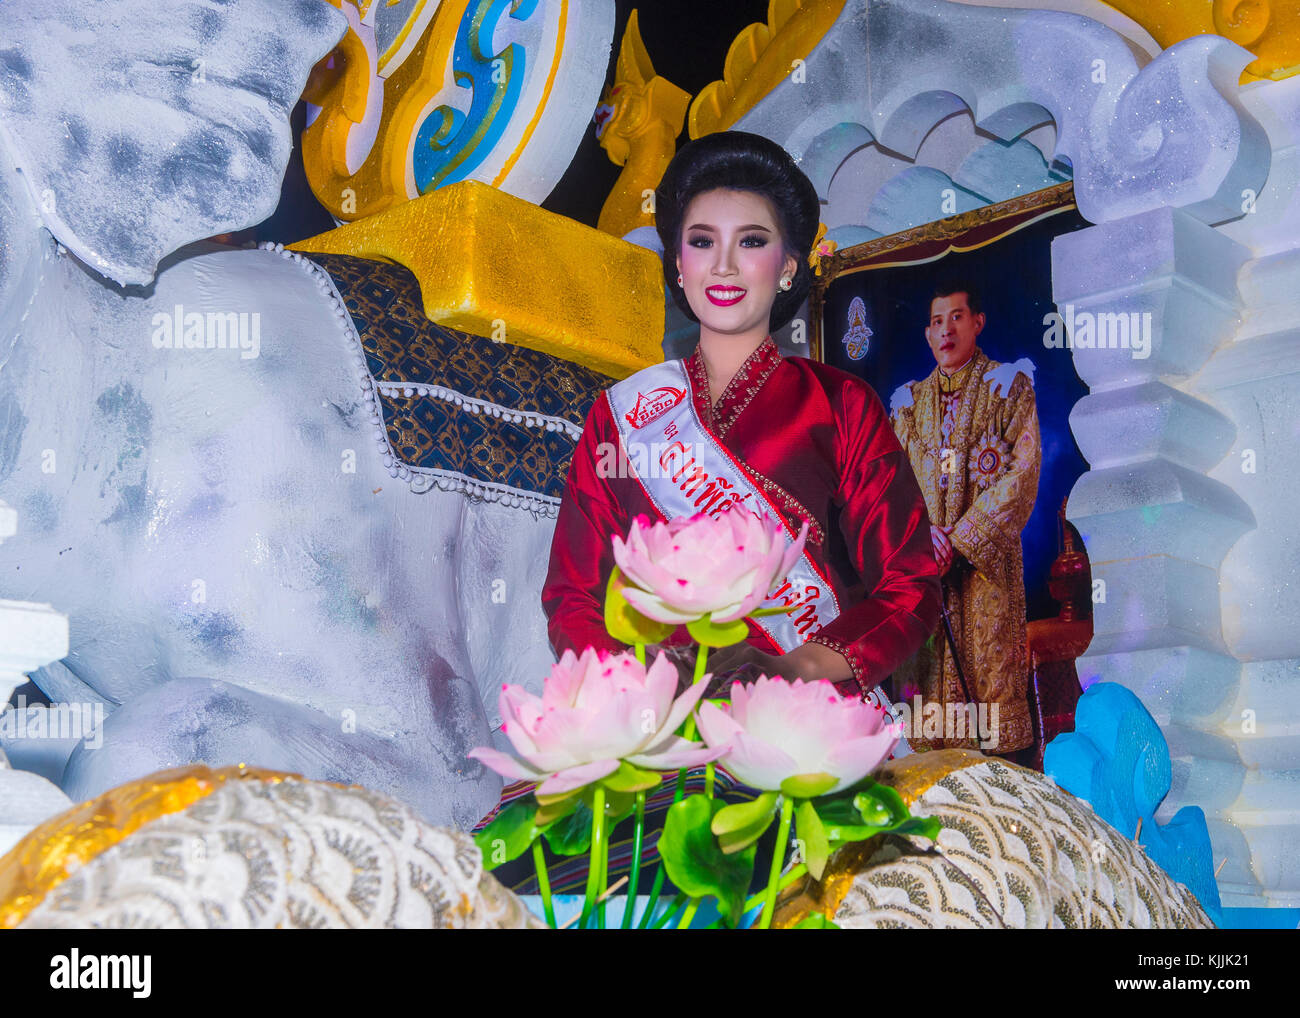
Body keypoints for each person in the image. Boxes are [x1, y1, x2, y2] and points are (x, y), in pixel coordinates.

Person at [540, 130, 942, 720]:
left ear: (787, 268)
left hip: (812, 722)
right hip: (661, 730)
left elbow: (909, 586)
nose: (723, 264)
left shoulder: (841, 405)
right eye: (702, 241)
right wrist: (641, 702)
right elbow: (573, 595)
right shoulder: (622, 416)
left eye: (752, 241)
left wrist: (798, 668)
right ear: (678, 264)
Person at [888, 281, 1042, 754]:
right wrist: (921, 536)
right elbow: (890, 484)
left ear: (977, 322)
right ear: (927, 335)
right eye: (936, 321)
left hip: (985, 575)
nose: (946, 330)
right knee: (926, 705)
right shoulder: (909, 405)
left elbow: (1024, 467)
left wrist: (963, 538)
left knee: (993, 704)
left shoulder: (1006, 388)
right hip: (926, 575)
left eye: (956, 317)